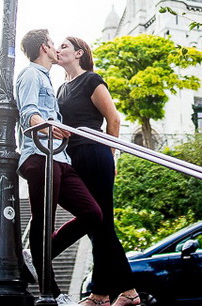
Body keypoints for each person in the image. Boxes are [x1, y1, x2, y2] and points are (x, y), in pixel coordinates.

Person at [16, 29, 103, 301]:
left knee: (92, 213)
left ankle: (35, 255)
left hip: (60, 159)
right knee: (43, 221)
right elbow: (28, 112)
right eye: (54, 44)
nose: (57, 49)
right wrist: (48, 128)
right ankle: (51, 294)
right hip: (40, 156)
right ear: (44, 47)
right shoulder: (30, 74)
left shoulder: (46, 79)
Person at [56, 36, 141, 306]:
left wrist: (110, 153)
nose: (58, 50)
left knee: (101, 223)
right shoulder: (61, 88)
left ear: (79, 53)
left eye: (64, 46)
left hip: (95, 152)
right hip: (74, 156)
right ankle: (107, 293)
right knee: (96, 224)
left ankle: (116, 293)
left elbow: (113, 118)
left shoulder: (91, 80)